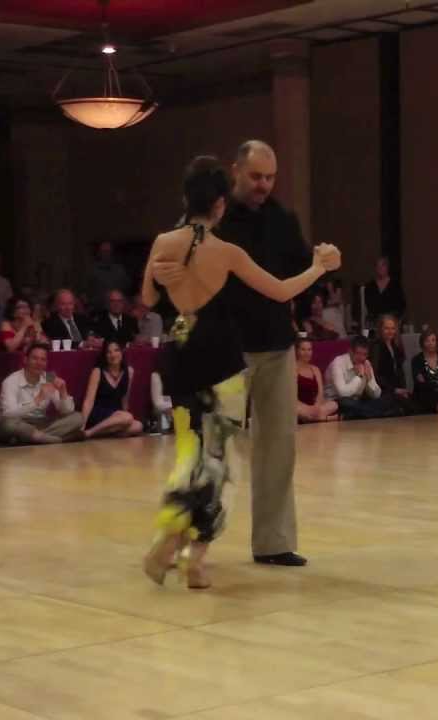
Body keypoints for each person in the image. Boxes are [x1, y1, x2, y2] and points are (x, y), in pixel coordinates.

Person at [140, 153, 339, 587]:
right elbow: (281, 289)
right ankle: (192, 556)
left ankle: (170, 539)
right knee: (219, 463)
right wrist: (319, 268)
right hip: (223, 356)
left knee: (188, 455)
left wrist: (165, 278)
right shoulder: (226, 251)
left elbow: (149, 300)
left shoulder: (162, 242)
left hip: (181, 350)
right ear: (220, 203)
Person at [0, 342, 85, 444]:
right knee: (8, 425)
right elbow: (8, 414)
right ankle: (57, 440)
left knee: (78, 418)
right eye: (35, 358)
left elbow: (66, 411)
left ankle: (33, 438)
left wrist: (63, 391)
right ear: (25, 360)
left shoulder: (49, 377)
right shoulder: (11, 381)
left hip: (40, 423)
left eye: (43, 360)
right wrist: (38, 399)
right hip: (17, 422)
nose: (39, 363)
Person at [78, 340, 144, 439]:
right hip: (98, 412)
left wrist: (123, 419)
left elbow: (125, 399)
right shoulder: (97, 371)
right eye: (109, 352)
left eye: (116, 350)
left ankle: (97, 434)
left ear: (121, 352)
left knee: (138, 426)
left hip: (116, 414)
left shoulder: (129, 371)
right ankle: (88, 432)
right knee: (127, 417)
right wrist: (82, 426)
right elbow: (88, 401)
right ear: (105, 355)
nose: (113, 355)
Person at [325, 336, 392, 420]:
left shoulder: (366, 363)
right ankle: (376, 413)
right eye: (358, 353)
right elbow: (342, 393)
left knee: (387, 400)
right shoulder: (338, 363)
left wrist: (369, 380)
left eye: (365, 354)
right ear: (350, 351)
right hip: (336, 401)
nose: (362, 358)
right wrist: (359, 376)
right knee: (347, 402)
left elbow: (376, 395)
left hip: (357, 402)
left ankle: (351, 415)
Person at [369, 314, 411, 414]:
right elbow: (376, 375)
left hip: (396, 389)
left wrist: (402, 389)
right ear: (380, 329)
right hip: (383, 390)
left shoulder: (396, 346)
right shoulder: (376, 347)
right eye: (386, 328)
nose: (390, 331)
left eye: (393, 328)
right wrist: (394, 390)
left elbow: (400, 372)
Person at [295, 337, 339, 422]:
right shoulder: (292, 370)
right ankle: (327, 418)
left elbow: (320, 393)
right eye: (303, 349)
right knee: (296, 409)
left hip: (316, 407)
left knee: (334, 404)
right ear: (297, 351)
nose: (307, 353)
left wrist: (316, 406)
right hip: (299, 406)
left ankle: (311, 418)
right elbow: (292, 397)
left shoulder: (315, 369)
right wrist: (308, 408)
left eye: (309, 349)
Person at [88, 240, 132, 311]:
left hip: (119, 309)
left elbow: (127, 289)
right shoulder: (92, 271)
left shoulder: (120, 270)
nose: (106, 254)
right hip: (99, 310)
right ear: (99, 253)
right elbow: (88, 293)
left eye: (108, 251)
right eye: (104, 251)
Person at [364, 256, 406, 323]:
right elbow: (369, 307)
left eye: (383, 265)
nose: (380, 268)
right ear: (375, 268)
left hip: (392, 322)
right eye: (377, 266)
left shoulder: (395, 285)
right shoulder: (370, 287)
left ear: (387, 267)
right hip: (375, 323)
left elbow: (401, 306)